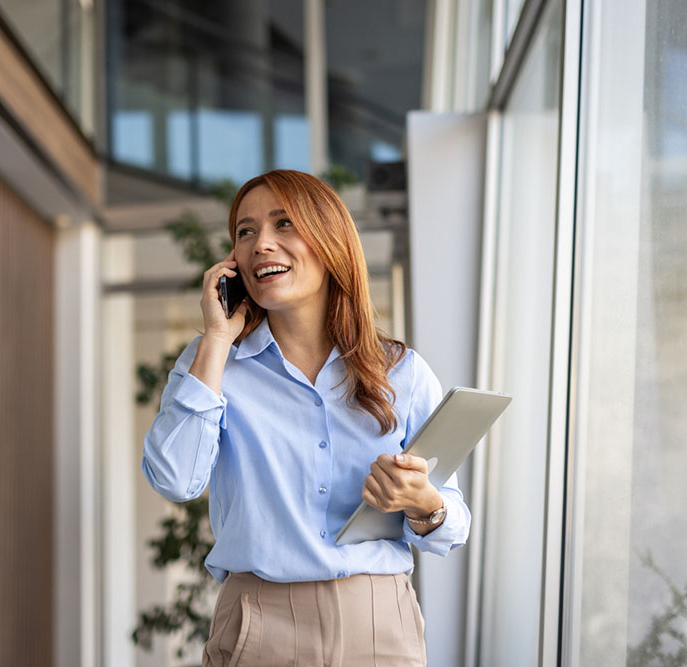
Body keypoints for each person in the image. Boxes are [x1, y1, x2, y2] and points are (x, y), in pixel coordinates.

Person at [143, 169, 471, 666]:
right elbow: (174, 480)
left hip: (380, 622)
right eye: (246, 231)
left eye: (284, 224)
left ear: (330, 242)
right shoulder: (214, 361)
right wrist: (216, 340)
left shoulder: (401, 371)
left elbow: (453, 521)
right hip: (261, 622)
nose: (261, 244)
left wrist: (423, 503)